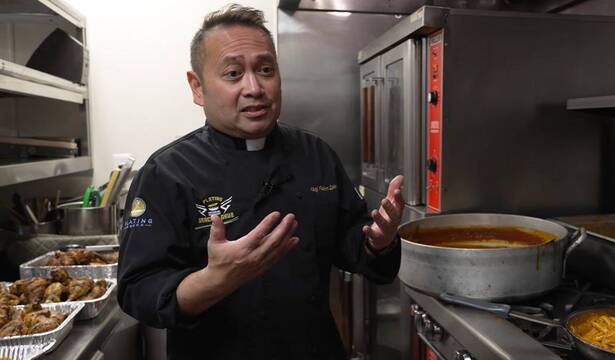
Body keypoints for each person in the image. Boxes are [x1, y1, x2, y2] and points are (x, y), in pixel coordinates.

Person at [117, 4, 404, 359]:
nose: (255, 87)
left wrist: (378, 242)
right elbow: (137, 290)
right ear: (197, 87)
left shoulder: (315, 154)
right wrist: (213, 280)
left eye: (266, 70)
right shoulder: (167, 172)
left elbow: (352, 244)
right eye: (234, 73)